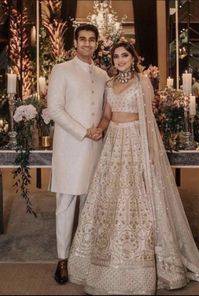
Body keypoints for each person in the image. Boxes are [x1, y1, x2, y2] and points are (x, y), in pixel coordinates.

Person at [68, 41, 199, 294]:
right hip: (114, 142)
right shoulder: (109, 84)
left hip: (135, 140)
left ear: (133, 57)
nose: (120, 60)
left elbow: (148, 119)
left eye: (124, 55)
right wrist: (99, 128)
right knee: (109, 197)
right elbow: (108, 115)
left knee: (137, 197)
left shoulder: (142, 82)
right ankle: (101, 262)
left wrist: (151, 153)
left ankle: (148, 264)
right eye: (116, 56)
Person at [47, 23, 108, 285]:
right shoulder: (61, 70)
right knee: (66, 204)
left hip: (97, 148)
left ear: (97, 43)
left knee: (91, 204)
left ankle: (84, 257)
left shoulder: (104, 75)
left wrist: (101, 131)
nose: (87, 44)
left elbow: (108, 111)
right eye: (82, 39)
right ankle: (62, 260)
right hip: (71, 147)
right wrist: (84, 131)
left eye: (91, 40)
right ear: (75, 42)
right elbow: (55, 110)